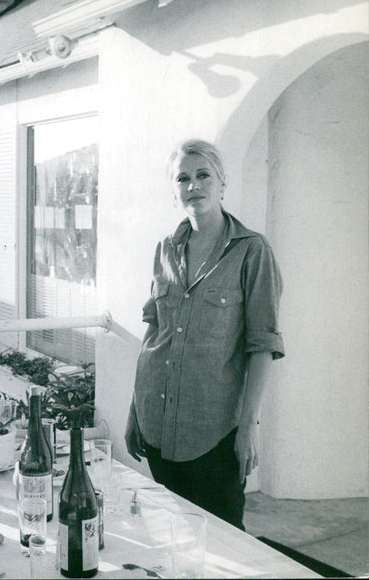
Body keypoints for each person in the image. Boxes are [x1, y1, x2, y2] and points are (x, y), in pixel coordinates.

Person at [125, 139, 284, 530]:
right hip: (158, 425)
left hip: (214, 436)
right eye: (183, 178)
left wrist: (248, 426)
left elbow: (262, 345)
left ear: (222, 183)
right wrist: (134, 410)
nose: (193, 185)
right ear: (174, 189)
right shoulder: (166, 249)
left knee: (224, 541)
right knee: (173, 535)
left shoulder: (252, 251)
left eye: (202, 175)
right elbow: (153, 334)